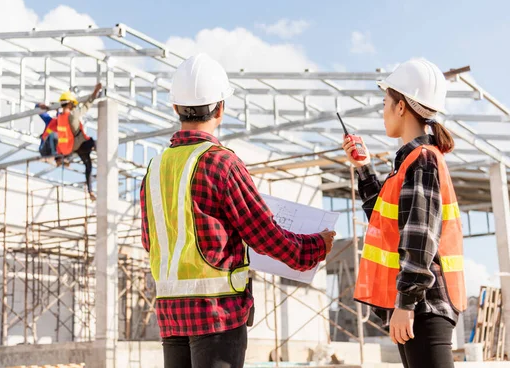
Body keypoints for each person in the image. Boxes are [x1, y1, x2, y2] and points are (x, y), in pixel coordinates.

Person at [140, 53, 336, 368]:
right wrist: (314, 247)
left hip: (170, 315)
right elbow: (265, 235)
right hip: (218, 318)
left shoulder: (155, 168)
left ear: (175, 107)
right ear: (221, 108)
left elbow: (151, 243)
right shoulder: (222, 162)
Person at [343, 59, 467, 368]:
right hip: (419, 304)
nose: (382, 111)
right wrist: (364, 169)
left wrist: (406, 304)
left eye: (385, 102)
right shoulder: (410, 162)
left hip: (424, 304)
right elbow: (386, 225)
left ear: (401, 107)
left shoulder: (421, 160)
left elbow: (420, 237)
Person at [39, 83, 102, 201]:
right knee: (94, 151)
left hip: (71, 147)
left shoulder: (60, 117)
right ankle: (92, 187)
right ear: (71, 104)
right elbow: (86, 106)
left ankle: (90, 191)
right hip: (82, 144)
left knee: (88, 166)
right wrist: (94, 93)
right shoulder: (72, 115)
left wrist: (47, 107)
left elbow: (55, 110)